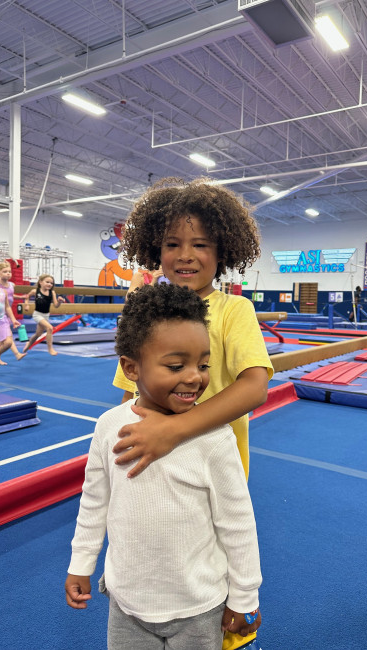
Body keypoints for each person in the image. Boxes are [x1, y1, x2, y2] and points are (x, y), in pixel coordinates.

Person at [65, 284, 262, 649]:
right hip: (127, 603)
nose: (194, 377)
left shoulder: (213, 439)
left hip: (198, 606)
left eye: (203, 364)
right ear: (131, 367)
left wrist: (245, 596)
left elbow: (237, 523)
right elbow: (94, 500)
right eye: (176, 365)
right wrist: (81, 562)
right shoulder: (110, 426)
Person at [112, 177, 273, 480]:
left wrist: (174, 428)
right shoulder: (145, 312)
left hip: (215, 470)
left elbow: (255, 386)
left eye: (200, 244)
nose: (185, 254)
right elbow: (130, 393)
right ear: (156, 251)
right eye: (172, 244)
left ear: (221, 252)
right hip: (154, 462)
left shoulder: (233, 310)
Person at [22, 274, 65, 355]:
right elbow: (27, 296)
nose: (49, 284)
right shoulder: (35, 291)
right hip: (37, 314)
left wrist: (59, 301)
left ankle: (29, 343)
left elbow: (56, 306)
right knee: (50, 328)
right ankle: (50, 348)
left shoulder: (52, 292)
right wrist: (26, 304)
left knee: (38, 334)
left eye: (51, 283)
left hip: (46, 315)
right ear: (41, 282)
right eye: (47, 282)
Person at [0, 261, 28, 364]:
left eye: (9, 271)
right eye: (5, 271)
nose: (8, 273)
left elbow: (10, 296)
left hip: (8, 313)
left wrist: (20, 297)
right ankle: (17, 354)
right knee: (8, 336)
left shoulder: (11, 285)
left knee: (3, 339)